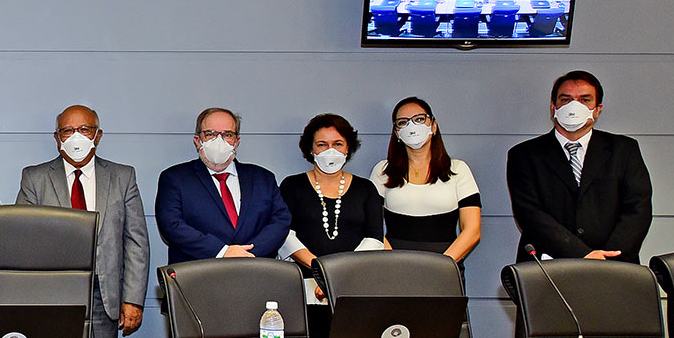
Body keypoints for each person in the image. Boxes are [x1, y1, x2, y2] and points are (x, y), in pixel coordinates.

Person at [15, 105, 150, 338]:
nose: (76, 137)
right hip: (51, 297)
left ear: (97, 135)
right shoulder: (35, 178)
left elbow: (136, 242)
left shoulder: (122, 177)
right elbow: (24, 241)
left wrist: (132, 299)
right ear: (57, 138)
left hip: (104, 297)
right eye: (68, 131)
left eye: (84, 129)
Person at [507, 70, 653, 263]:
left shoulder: (624, 150)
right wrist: (582, 254)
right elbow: (529, 214)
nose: (574, 107)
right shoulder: (524, 155)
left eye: (585, 100)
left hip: (615, 266)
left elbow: (638, 209)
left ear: (598, 109)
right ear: (553, 107)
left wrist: (606, 257)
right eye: (566, 100)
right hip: (546, 268)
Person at [156, 107, 291, 264]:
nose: (219, 141)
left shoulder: (263, 178)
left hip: (256, 273)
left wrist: (248, 253)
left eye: (227, 135)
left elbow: (281, 220)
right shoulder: (174, 178)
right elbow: (172, 225)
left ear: (237, 141)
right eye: (210, 134)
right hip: (196, 277)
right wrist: (223, 251)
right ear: (197, 140)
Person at [371, 97, 482, 264]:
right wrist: (394, 264)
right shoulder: (382, 171)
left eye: (419, 119)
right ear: (396, 133)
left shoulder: (458, 169)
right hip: (394, 266)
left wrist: (442, 265)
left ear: (434, 125)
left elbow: (473, 230)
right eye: (403, 122)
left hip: (446, 266)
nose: (412, 126)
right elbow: (371, 225)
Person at [280, 112, 386, 271]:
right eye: (322, 144)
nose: (330, 151)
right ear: (311, 149)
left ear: (348, 148)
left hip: (353, 276)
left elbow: (375, 239)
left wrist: (341, 273)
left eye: (338, 144)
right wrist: (320, 270)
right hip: (303, 276)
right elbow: (285, 235)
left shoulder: (366, 188)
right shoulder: (292, 186)